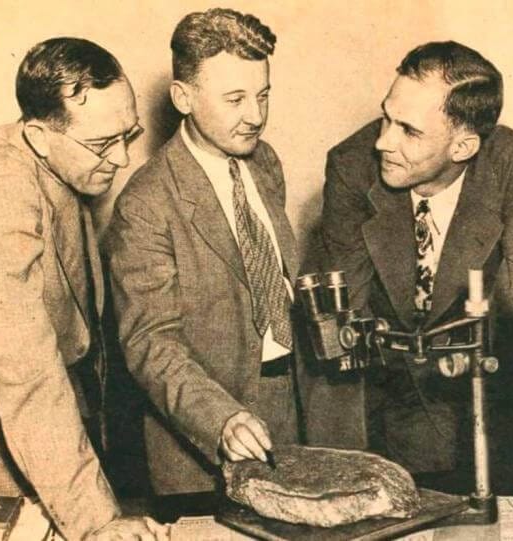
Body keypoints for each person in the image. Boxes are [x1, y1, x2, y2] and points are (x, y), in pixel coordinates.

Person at [0, 37, 167, 540]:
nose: (124, 158)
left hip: (35, 453)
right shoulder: (0, 195)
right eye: (105, 144)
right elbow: (27, 373)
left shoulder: (57, 161)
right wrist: (97, 521)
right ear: (40, 135)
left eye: (128, 135)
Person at [318, 41, 513, 473]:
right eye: (387, 116)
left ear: (462, 148)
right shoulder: (352, 166)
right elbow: (342, 321)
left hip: (481, 397)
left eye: (409, 130)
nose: (384, 141)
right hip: (392, 396)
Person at [105, 8, 301, 494]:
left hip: (288, 413)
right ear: (183, 98)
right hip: (204, 440)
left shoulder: (265, 162)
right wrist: (222, 420)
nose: (255, 115)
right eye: (235, 98)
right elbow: (151, 343)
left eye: (263, 95)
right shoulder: (146, 204)